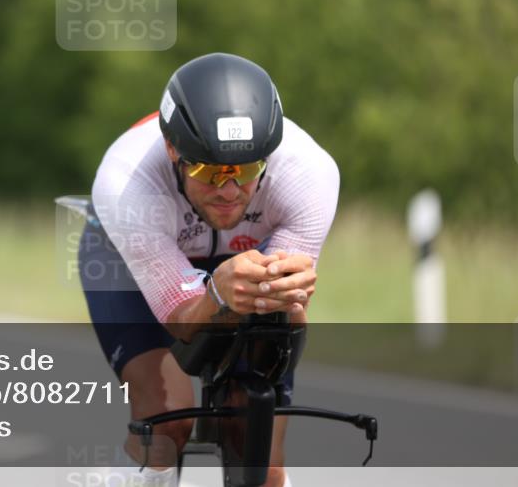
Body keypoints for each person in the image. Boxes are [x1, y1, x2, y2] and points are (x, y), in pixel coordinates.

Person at [79, 52, 340, 487]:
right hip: (128, 253)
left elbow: (285, 328)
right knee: (165, 420)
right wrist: (216, 295)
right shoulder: (126, 182)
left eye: (247, 170)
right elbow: (183, 322)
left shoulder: (309, 175)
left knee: (263, 449)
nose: (229, 190)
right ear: (171, 150)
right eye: (207, 170)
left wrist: (290, 303)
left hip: (243, 260)